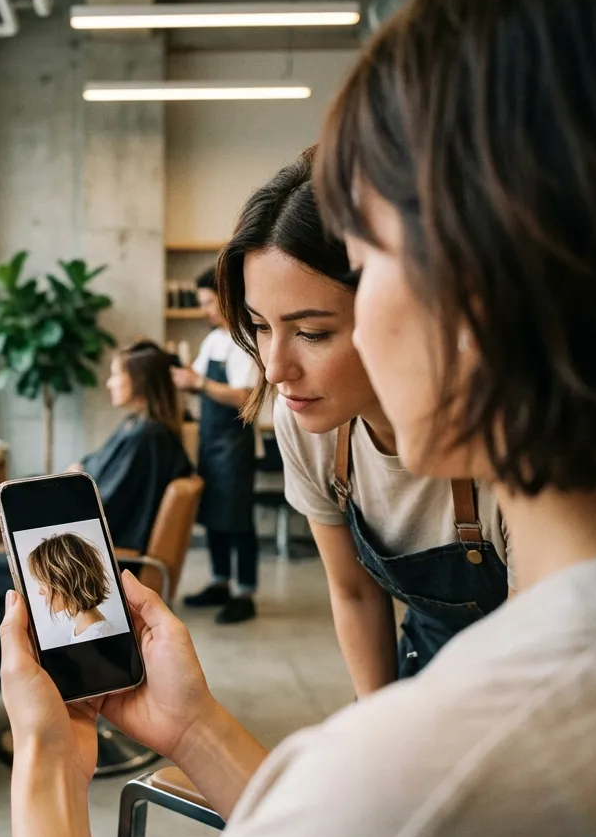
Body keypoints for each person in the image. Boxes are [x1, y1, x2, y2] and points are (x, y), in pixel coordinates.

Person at [0, 0, 596, 837]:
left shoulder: (421, 789)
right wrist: (192, 729)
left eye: (370, 260)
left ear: (481, 282)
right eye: (262, 332)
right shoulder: (425, 765)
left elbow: (378, 831)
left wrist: (45, 766)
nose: (282, 364)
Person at [217, 148, 511, 692]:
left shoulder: (511, 447)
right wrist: (372, 721)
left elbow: (545, 667)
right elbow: (354, 593)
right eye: (259, 326)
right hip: (424, 663)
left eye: (312, 333)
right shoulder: (309, 427)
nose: (276, 368)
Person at [0, 339, 192, 722]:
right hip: (103, 551)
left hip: (106, 559)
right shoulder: (144, 429)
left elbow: (103, 509)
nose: (110, 383)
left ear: (141, 381)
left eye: (117, 375)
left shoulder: (147, 437)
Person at [172, 268, 260, 624]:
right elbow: (193, 380)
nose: (205, 310)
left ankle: (246, 592)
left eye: (209, 302)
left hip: (235, 446)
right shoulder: (212, 341)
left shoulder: (245, 341)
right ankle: (220, 582)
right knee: (214, 518)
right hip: (210, 442)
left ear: (226, 296)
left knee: (237, 520)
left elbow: (244, 396)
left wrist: (199, 383)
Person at [29, 533, 114, 643]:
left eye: (43, 582)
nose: (40, 591)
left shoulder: (97, 636)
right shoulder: (85, 629)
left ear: (65, 581)